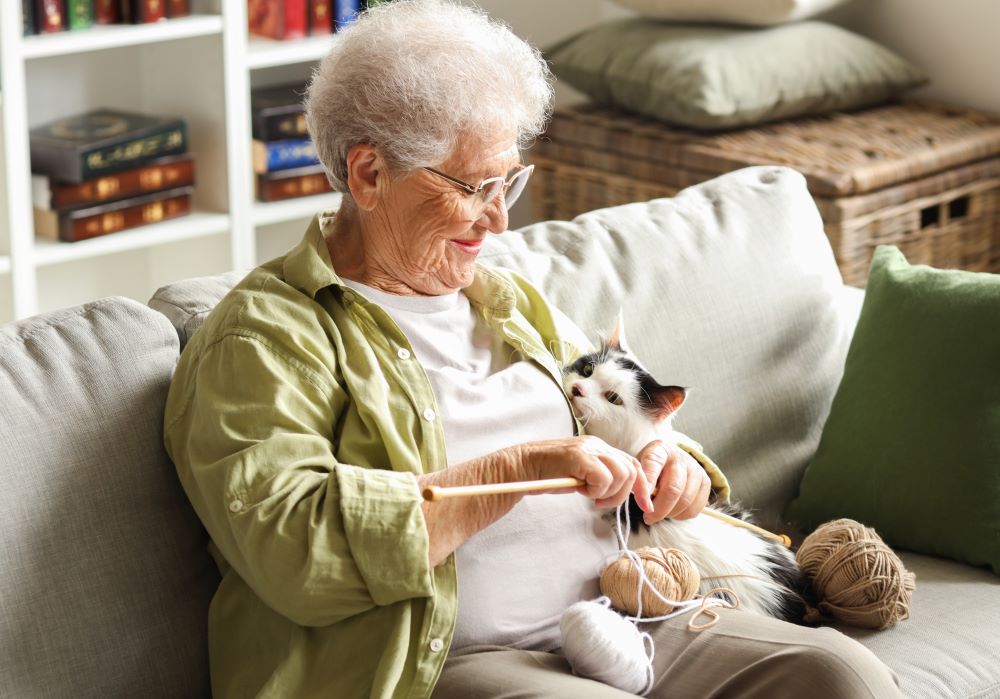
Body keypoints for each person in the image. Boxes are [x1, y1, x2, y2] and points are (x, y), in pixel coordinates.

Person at [163, 1, 902, 697]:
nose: (498, 220)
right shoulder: (262, 339)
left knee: (840, 675)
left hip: (631, 608)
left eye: (508, 182)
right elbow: (296, 551)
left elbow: (634, 424)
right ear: (368, 173)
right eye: (474, 185)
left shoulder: (508, 300)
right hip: (455, 656)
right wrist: (522, 467)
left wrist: (672, 465)